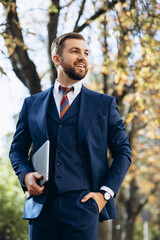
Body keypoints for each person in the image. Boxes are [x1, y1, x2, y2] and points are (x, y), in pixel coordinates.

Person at [9, 32, 131, 240]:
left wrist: (104, 194)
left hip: (84, 207)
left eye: (85, 52)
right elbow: (17, 150)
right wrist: (26, 175)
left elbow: (123, 152)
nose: (82, 56)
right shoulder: (32, 104)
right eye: (74, 51)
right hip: (41, 208)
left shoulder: (104, 104)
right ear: (57, 58)